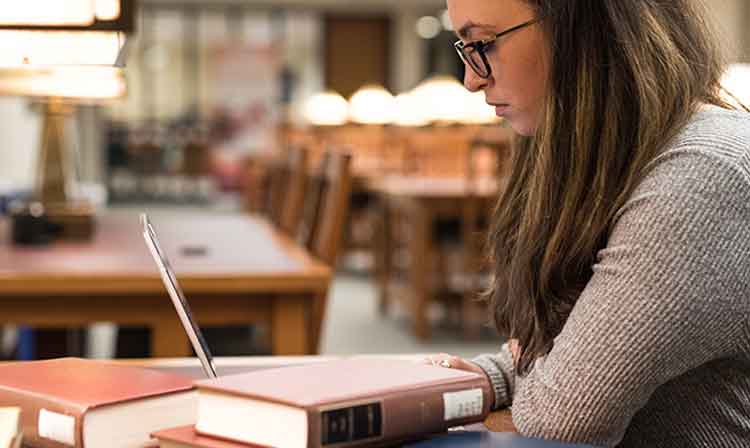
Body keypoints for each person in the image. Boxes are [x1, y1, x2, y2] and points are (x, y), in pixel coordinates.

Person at [426, 1, 750, 446]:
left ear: (581, 27)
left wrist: (523, 377)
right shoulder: (605, 155)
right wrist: (493, 376)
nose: (472, 78)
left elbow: (560, 420)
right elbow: (567, 341)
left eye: (483, 44)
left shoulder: (701, 174)